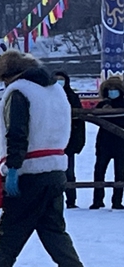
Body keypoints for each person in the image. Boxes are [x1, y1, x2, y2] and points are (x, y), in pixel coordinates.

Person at [0, 50, 90, 267]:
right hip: (55, 167)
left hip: (29, 169)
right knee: (53, 230)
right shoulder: (56, 90)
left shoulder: (19, 92)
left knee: (11, 230)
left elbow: (17, 132)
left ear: (8, 75)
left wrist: (13, 167)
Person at [53, 71, 86, 209]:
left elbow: (80, 122)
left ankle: (71, 200)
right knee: (52, 173)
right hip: (52, 142)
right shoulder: (48, 97)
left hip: (69, 142)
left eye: (62, 80)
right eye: (57, 80)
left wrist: (78, 142)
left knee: (69, 173)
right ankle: (53, 200)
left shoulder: (73, 97)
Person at [91, 76, 124, 210]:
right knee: (99, 171)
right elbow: (92, 117)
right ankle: (97, 200)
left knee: (120, 173)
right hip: (104, 143)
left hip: (121, 144)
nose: (112, 91)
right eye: (109, 89)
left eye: (115, 89)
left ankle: (117, 201)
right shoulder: (102, 104)